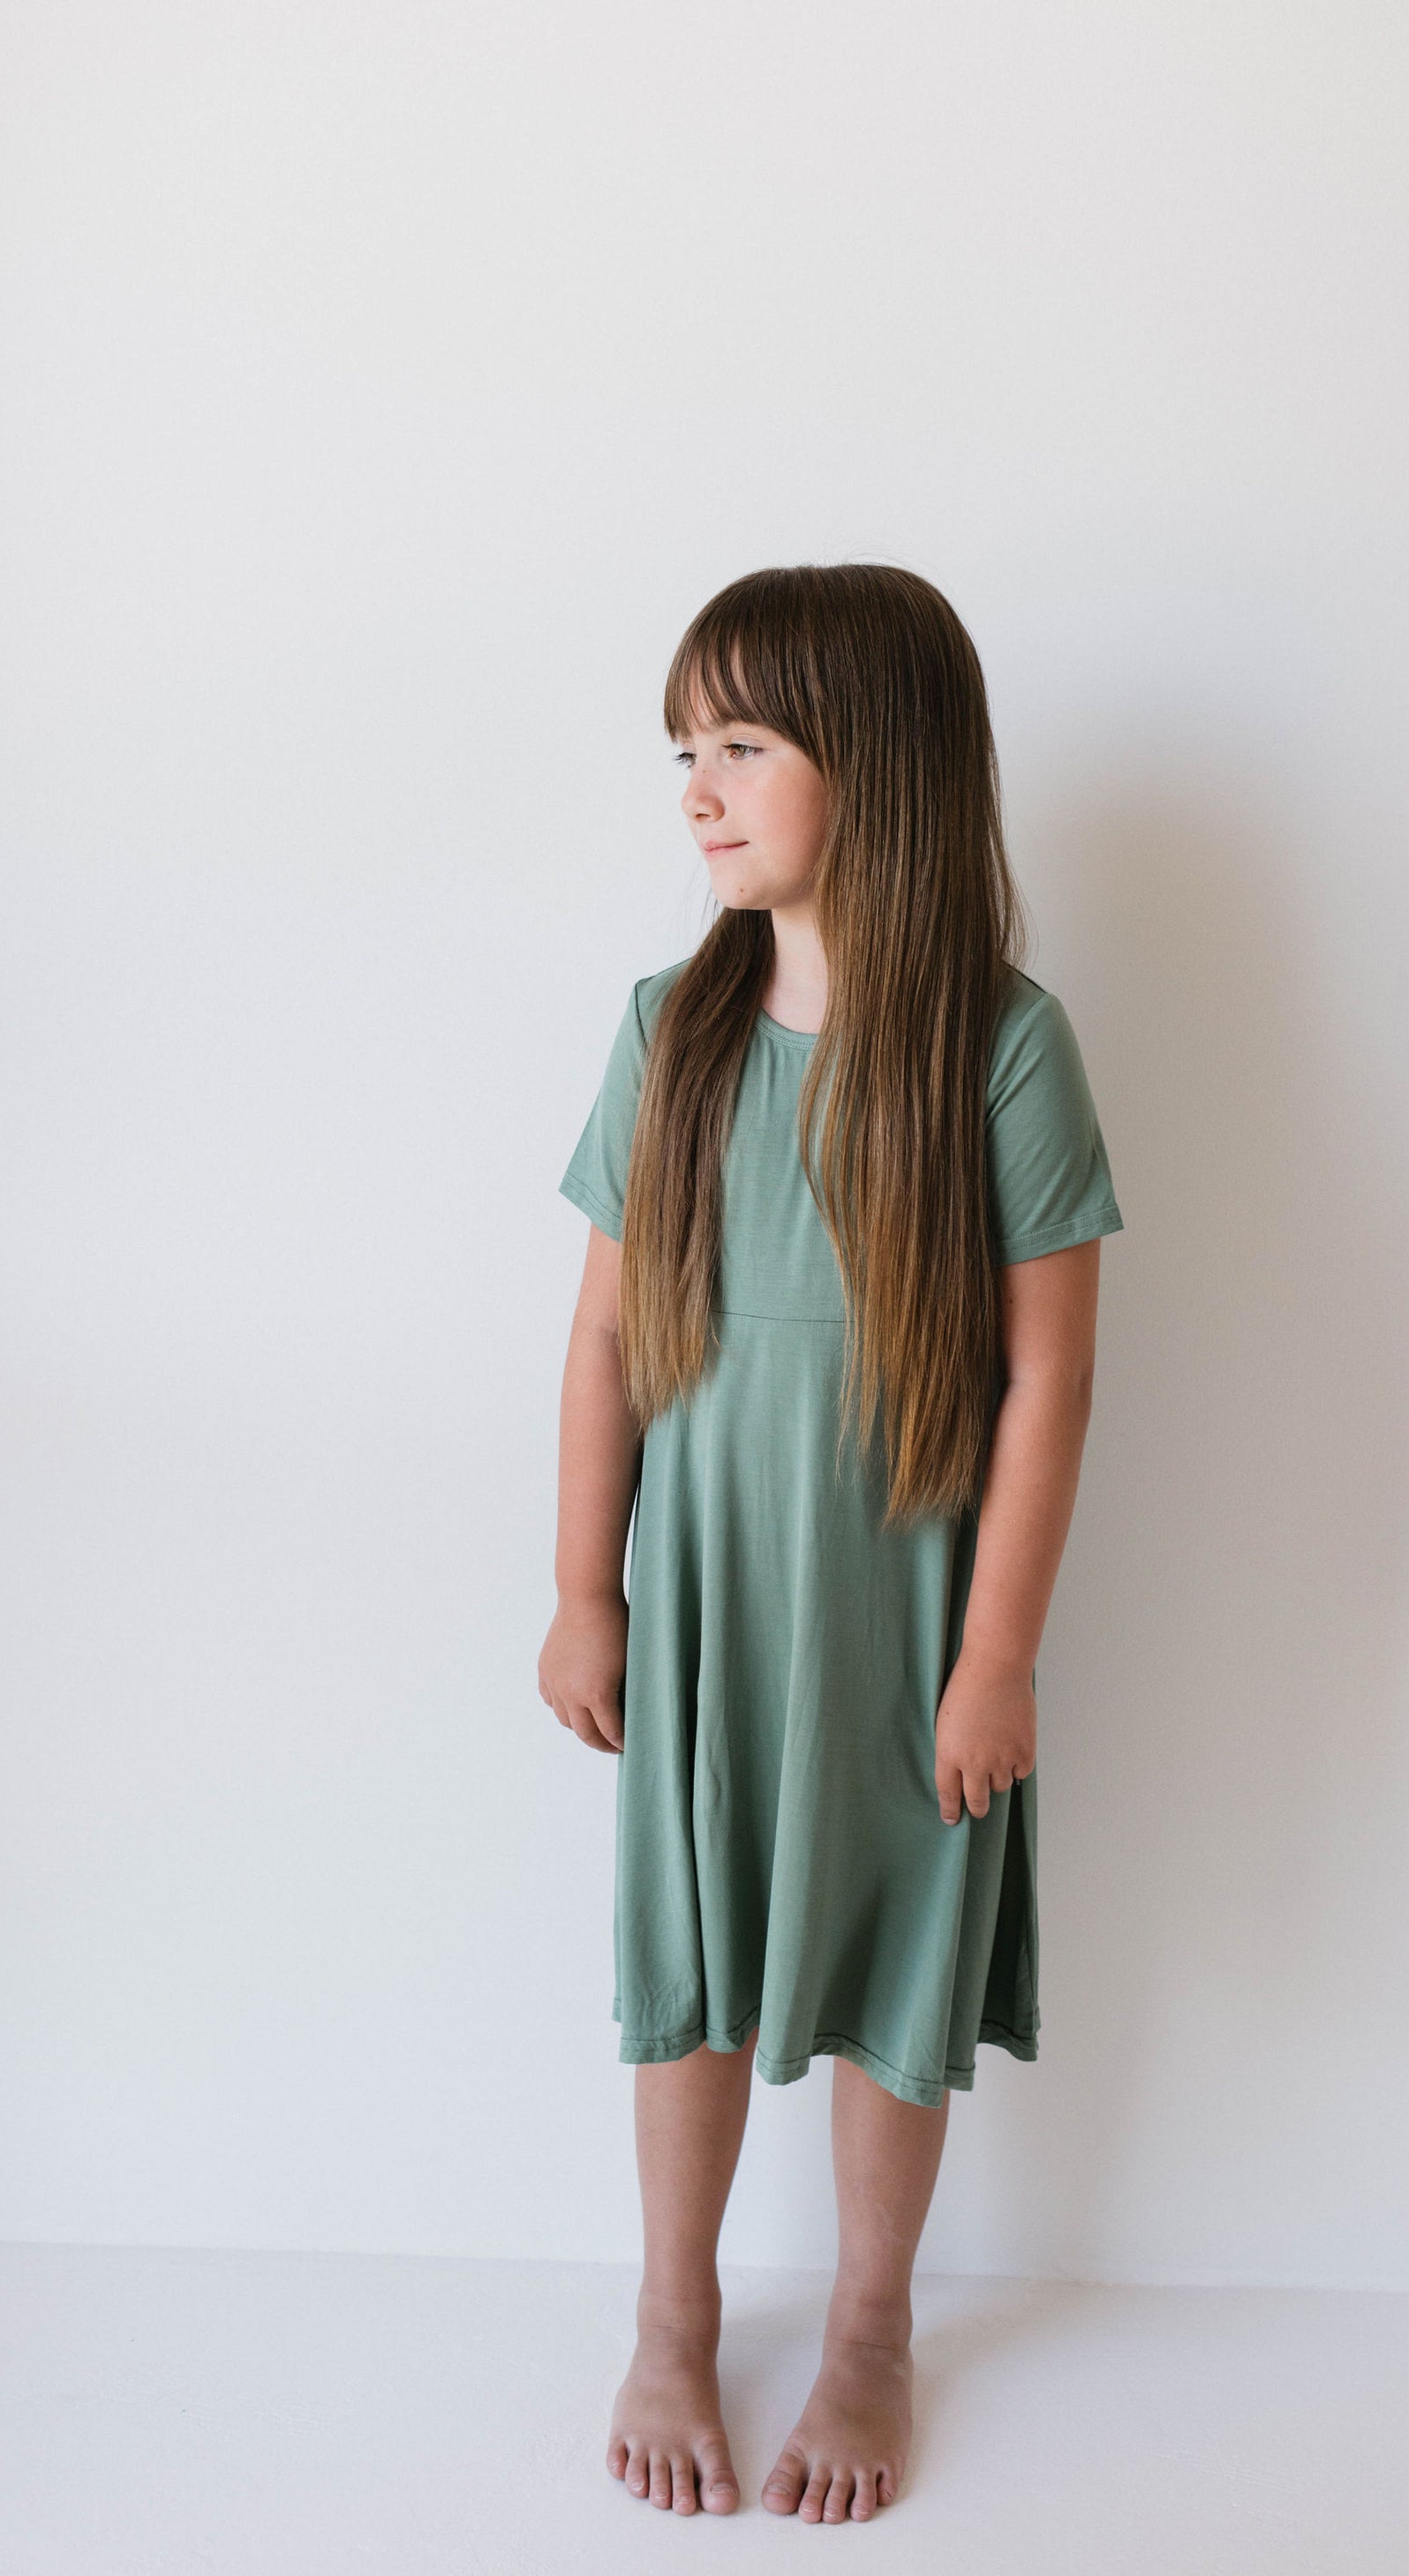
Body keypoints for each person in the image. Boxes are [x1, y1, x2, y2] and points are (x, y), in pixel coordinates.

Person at [539, 561, 1123, 2524]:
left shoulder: (1001, 1049)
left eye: (743, 746)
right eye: (682, 751)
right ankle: (674, 2312)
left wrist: (997, 1653)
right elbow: (610, 1330)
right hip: (709, 1599)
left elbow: (1048, 1380)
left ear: (874, 766)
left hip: (901, 1604)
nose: (695, 790)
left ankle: (871, 2326)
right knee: (691, 1955)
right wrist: (579, 1587)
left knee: (892, 1951)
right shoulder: (672, 1028)